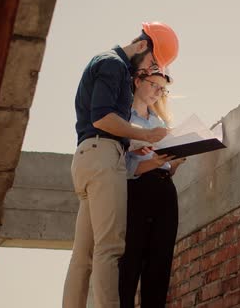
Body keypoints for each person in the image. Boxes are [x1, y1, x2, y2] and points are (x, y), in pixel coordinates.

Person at [63, 22, 179, 308]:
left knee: (83, 255)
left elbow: (99, 121)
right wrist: (144, 134)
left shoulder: (107, 64)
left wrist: (140, 144)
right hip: (104, 156)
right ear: (141, 46)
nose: (148, 69)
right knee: (110, 249)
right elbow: (102, 118)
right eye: (152, 62)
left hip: (88, 155)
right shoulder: (114, 65)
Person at [118, 70, 186, 308]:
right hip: (137, 193)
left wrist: (174, 162)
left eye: (162, 89)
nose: (158, 92)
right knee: (130, 262)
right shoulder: (123, 119)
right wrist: (153, 163)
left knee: (160, 263)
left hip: (165, 191)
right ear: (137, 81)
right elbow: (123, 167)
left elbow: (164, 164)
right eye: (154, 85)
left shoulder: (160, 123)